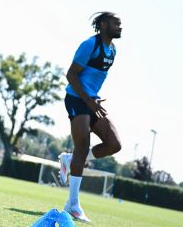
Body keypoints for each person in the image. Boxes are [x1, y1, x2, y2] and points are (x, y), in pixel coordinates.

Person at [59, 12, 123, 223]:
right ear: (104, 25)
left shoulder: (113, 50)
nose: (120, 27)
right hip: (77, 99)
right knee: (83, 146)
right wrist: (88, 100)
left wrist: (93, 100)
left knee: (114, 144)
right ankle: (73, 205)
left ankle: (71, 159)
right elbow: (71, 74)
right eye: (116, 24)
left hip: (92, 101)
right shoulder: (89, 45)